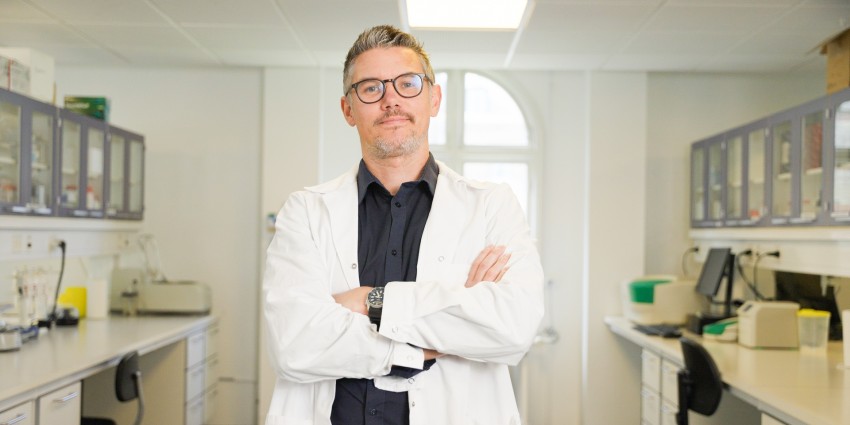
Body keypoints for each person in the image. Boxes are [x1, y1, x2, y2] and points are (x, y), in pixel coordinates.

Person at [262, 24, 544, 425]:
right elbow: (295, 344)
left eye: (408, 84)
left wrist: (368, 301)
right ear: (348, 109)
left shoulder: (491, 205)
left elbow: (513, 329)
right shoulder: (305, 211)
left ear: (434, 98)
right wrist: (434, 336)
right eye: (371, 88)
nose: (391, 99)